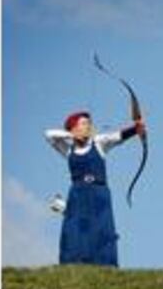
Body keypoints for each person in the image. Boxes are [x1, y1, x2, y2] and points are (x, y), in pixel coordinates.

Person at [44, 111, 145, 266]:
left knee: (102, 230)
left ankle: (106, 265)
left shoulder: (98, 143)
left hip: (99, 195)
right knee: (75, 230)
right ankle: (73, 263)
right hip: (77, 194)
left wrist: (136, 129)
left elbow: (116, 137)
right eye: (83, 124)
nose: (88, 127)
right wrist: (71, 136)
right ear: (73, 128)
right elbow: (49, 135)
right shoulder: (68, 150)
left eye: (88, 124)